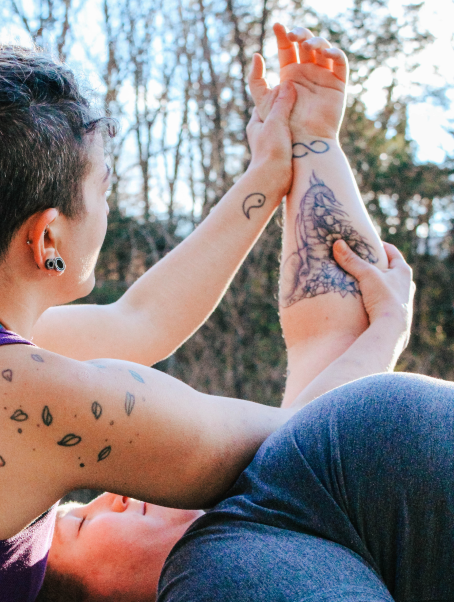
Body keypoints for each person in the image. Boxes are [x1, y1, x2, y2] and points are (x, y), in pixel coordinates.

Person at [0, 28, 388, 602]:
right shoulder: (27, 396)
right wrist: (383, 334)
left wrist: (271, 169)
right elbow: (309, 446)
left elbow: (143, 321)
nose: (108, 208)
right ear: (47, 237)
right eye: (104, 188)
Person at [39, 25, 418, 602]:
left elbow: (144, 322)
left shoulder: (256, 505)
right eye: (83, 520)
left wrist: (307, 143)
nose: (109, 493)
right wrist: (385, 335)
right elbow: (312, 432)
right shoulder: (233, 559)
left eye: (79, 500)